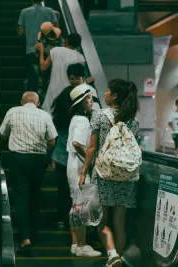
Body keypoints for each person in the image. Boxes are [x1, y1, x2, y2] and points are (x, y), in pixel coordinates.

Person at [80, 79, 140, 267]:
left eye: (107, 91)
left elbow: (91, 147)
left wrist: (83, 171)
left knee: (103, 220)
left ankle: (112, 254)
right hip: (127, 176)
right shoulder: (133, 120)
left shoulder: (99, 115)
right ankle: (119, 259)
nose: (104, 93)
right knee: (120, 222)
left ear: (114, 95)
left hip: (104, 174)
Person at [0, 91, 57, 255]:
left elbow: (2, 134)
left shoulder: (12, 111)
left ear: (21, 102)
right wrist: (46, 154)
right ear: (38, 103)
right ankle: (33, 231)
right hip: (39, 159)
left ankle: (25, 237)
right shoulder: (44, 115)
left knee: (21, 195)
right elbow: (52, 141)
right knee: (35, 192)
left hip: (18, 158)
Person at [51, 63, 96, 231]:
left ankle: (64, 220)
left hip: (63, 153)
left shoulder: (64, 96)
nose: (74, 81)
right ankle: (79, 226)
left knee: (65, 188)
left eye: (75, 78)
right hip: (76, 154)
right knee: (78, 192)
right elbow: (78, 142)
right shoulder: (83, 111)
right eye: (72, 78)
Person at [66, 84, 102, 257]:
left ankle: (75, 244)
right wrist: (90, 158)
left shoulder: (76, 118)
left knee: (75, 206)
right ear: (80, 103)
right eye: (87, 99)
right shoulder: (82, 121)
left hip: (73, 166)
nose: (91, 101)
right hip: (79, 168)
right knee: (81, 207)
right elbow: (77, 143)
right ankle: (82, 246)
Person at [35, 33, 85, 112]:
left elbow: (43, 67)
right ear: (78, 44)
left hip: (54, 90)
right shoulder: (80, 58)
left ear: (67, 41)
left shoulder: (56, 51)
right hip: (70, 93)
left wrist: (41, 51)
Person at [18, 0, 59, 92]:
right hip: (47, 51)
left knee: (33, 78)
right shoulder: (50, 11)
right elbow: (56, 30)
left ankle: (32, 99)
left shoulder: (24, 12)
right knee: (47, 77)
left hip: (31, 50)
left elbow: (20, 32)